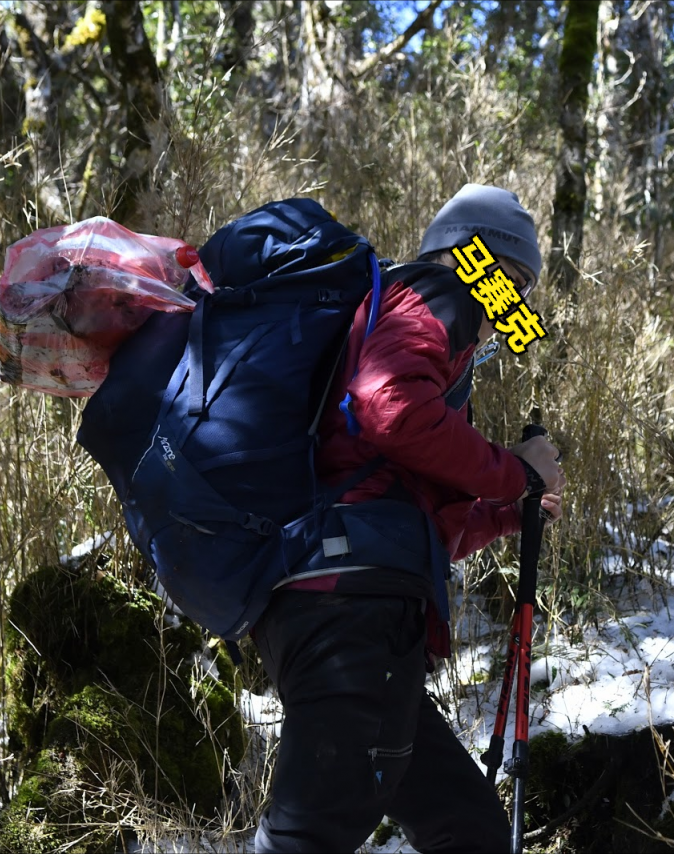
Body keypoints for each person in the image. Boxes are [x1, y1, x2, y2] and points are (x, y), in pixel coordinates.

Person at [251, 184, 567, 853]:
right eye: (516, 287)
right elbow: (388, 408)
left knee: (469, 827)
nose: (514, 310)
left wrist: (511, 512)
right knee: (304, 839)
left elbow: (427, 522)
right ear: (491, 266)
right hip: (349, 609)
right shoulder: (440, 291)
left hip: (358, 603)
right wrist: (516, 468)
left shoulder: (424, 340)